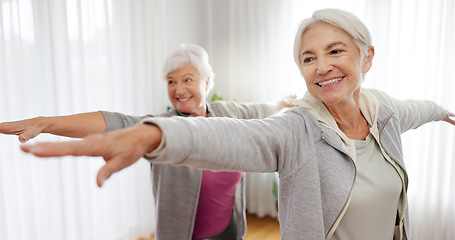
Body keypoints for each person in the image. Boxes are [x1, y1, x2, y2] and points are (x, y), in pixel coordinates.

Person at [15, 9, 455, 240]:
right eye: (309, 58)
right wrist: (153, 133)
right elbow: (231, 137)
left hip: (229, 230)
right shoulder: (295, 129)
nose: (321, 67)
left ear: (367, 57)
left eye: (335, 52)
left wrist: (442, 109)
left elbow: (416, 108)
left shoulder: (384, 111)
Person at [0, 44, 296, 240]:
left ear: (207, 82)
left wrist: (285, 101)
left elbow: (266, 109)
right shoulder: (160, 127)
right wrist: (47, 123)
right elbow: (113, 122)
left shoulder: (230, 114)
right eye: (171, 81)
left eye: (187, 79)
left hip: (229, 230)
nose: (178, 89)